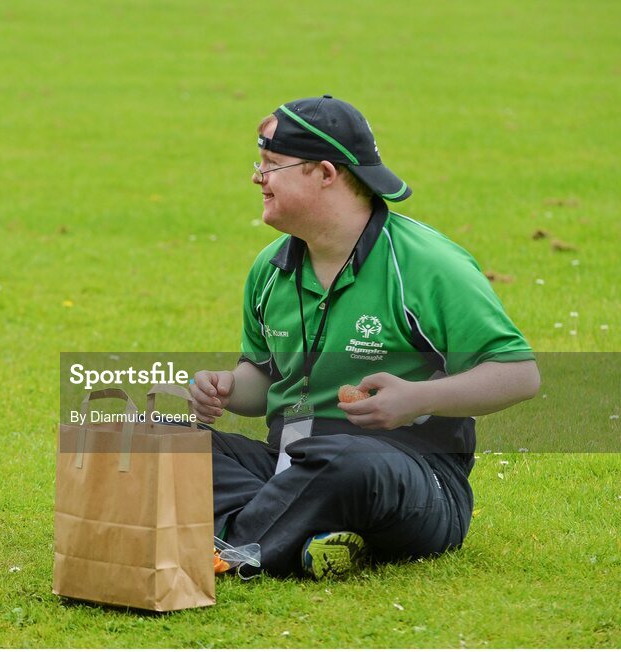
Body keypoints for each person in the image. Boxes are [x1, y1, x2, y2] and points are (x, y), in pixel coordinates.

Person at [193, 95, 540, 579]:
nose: (258, 177)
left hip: (414, 479)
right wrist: (226, 387)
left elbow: (520, 375)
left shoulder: (428, 265)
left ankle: (229, 551)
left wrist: (416, 398)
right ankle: (307, 538)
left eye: (272, 165)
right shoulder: (270, 268)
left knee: (347, 459)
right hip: (288, 465)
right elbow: (263, 377)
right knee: (153, 438)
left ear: (326, 173)